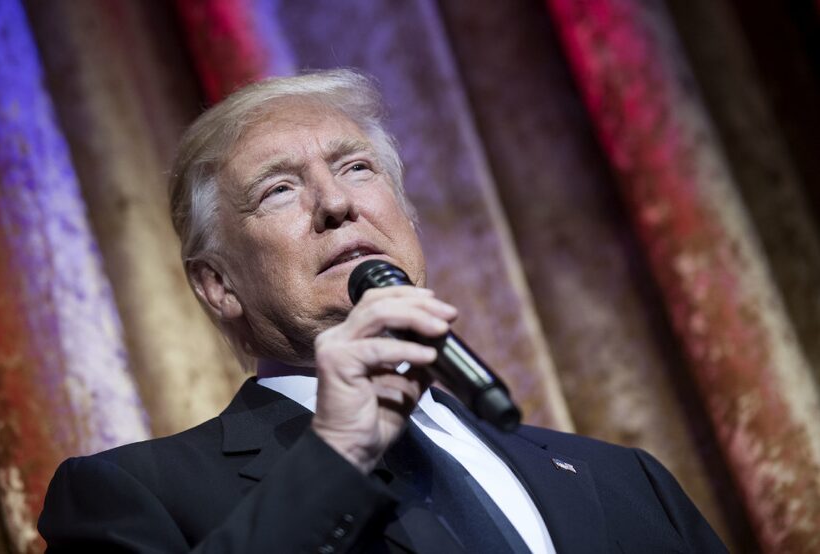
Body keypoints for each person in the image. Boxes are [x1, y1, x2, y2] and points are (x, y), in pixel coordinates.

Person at [39, 69, 726, 553]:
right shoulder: (132, 494)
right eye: (279, 190)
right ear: (218, 284)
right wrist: (337, 452)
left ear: (406, 220)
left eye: (358, 168)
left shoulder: (626, 481)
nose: (337, 204)